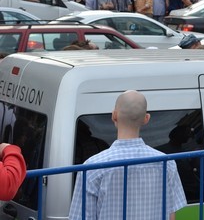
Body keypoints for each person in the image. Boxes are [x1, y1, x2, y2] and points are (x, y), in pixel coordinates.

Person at [68, 90, 186, 220]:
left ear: (114, 116)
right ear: (146, 119)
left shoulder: (91, 167)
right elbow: (170, 215)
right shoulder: (166, 163)